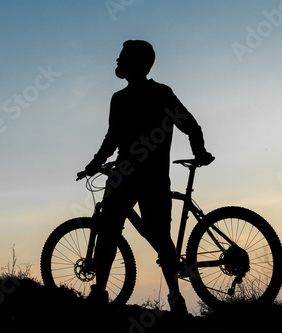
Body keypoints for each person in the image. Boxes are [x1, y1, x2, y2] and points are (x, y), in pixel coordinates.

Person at [77, 40, 214, 314]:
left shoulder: (152, 95)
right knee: (130, 234)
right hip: (135, 177)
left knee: (121, 234)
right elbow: (114, 138)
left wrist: (94, 164)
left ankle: (112, 294)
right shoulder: (132, 97)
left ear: (135, 63)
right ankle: (168, 298)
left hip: (140, 177)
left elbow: (187, 124)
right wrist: (94, 164)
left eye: (121, 58)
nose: (116, 61)